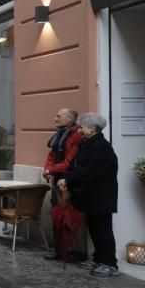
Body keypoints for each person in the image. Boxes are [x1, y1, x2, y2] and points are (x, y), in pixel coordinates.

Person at [59, 112, 119, 277]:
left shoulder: (101, 147)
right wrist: (67, 177)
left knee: (103, 229)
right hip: (89, 195)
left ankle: (109, 263)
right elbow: (75, 165)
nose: (79, 130)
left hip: (101, 195)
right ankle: (98, 258)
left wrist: (69, 179)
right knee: (94, 228)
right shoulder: (87, 144)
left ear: (92, 128)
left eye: (82, 127)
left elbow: (92, 172)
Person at [43, 107, 82, 259]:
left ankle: (71, 250)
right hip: (56, 179)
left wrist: (50, 170)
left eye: (59, 116)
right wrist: (48, 170)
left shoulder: (76, 135)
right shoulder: (59, 135)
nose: (55, 119)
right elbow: (52, 155)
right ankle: (60, 250)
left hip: (67, 181)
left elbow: (69, 161)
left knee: (67, 216)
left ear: (70, 119)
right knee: (57, 214)